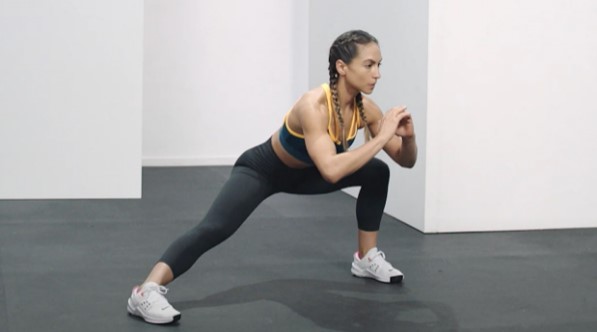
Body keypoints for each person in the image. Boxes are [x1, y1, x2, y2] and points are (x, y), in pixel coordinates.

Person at [127, 29, 418, 325]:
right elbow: (331, 171)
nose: (377, 74)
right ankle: (144, 291)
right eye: (369, 65)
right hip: (264, 171)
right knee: (214, 228)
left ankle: (366, 258)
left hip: (308, 175)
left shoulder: (365, 109)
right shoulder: (313, 106)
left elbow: (406, 161)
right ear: (342, 67)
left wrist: (407, 139)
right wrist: (380, 138)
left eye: (379, 65)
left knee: (377, 172)